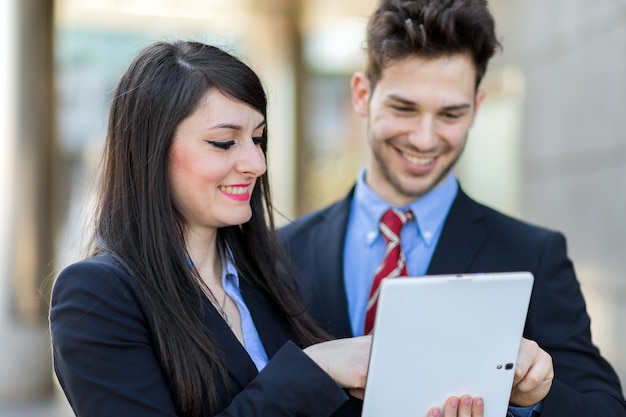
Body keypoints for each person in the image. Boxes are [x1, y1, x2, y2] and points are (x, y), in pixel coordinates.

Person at [278, 0, 626, 416]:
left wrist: (536, 399)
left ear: (477, 107)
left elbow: (605, 408)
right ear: (361, 95)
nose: (425, 139)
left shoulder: (534, 254)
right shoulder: (278, 252)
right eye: (404, 108)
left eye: (450, 114)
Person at [49, 40, 375, 417]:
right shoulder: (98, 296)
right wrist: (313, 369)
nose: (256, 163)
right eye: (223, 143)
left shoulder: (268, 273)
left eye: (257, 139)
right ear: (150, 150)